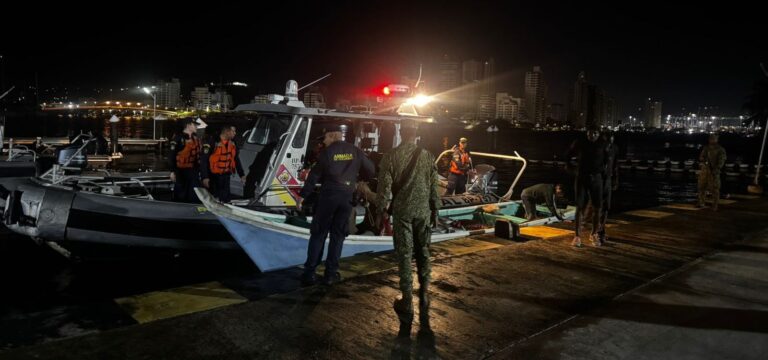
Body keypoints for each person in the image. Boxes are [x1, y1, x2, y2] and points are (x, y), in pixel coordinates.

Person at [375, 122, 440, 336]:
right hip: (423, 211)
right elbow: (434, 185)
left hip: (402, 212)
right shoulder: (428, 155)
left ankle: (407, 300)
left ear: (401, 133)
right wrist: (435, 210)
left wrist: (381, 211)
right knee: (423, 251)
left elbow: (384, 188)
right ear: (416, 135)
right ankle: (424, 292)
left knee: (404, 254)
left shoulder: (391, 156)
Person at [298, 125, 375, 286]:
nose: (324, 141)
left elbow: (314, 176)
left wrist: (303, 196)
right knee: (337, 236)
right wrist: (358, 179)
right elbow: (370, 170)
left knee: (318, 234)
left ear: (333, 136)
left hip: (328, 197)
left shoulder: (327, 153)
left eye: (325, 137)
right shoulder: (355, 150)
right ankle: (331, 274)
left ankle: (310, 273)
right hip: (347, 198)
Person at [566, 125, 607, 247]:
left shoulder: (603, 144)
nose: (592, 135)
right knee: (579, 207)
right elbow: (568, 155)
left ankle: (594, 234)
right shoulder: (580, 143)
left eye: (595, 133)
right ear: (587, 133)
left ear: (599, 134)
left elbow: (607, 161)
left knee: (597, 207)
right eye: (590, 132)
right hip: (582, 178)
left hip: (597, 178)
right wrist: (572, 169)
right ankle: (577, 236)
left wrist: (605, 177)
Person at [200, 125, 245, 203]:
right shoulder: (212, 142)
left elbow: (236, 159)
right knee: (213, 199)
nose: (235, 133)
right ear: (227, 132)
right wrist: (205, 177)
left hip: (226, 176)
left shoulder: (233, 143)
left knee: (226, 199)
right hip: (213, 177)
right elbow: (204, 160)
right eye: (233, 131)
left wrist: (242, 174)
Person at [168, 119, 202, 203]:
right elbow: (171, 155)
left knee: (194, 193)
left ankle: (193, 209)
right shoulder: (178, 139)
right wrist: (172, 171)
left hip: (193, 171)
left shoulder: (195, 138)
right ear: (188, 125)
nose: (196, 127)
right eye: (194, 125)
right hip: (181, 172)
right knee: (181, 194)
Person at [598, 131, 619, 243]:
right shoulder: (598, 149)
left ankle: (602, 230)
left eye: (611, 142)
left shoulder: (615, 148)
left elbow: (615, 165)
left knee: (606, 207)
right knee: (599, 207)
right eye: (607, 142)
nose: (609, 145)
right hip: (598, 180)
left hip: (608, 180)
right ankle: (597, 231)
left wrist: (616, 179)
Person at [698, 134, 726, 210]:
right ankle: (701, 203)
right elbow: (701, 157)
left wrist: (716, 169)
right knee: (701, 187)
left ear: (717, 139)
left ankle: (714, 205)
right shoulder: (706, 148)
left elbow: (721, 161)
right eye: (711, 138)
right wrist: (704, 160)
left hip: (714, 171)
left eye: (714, 139)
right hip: (704, 171)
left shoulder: (720, 149)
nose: (712, 140)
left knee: (715, 189)